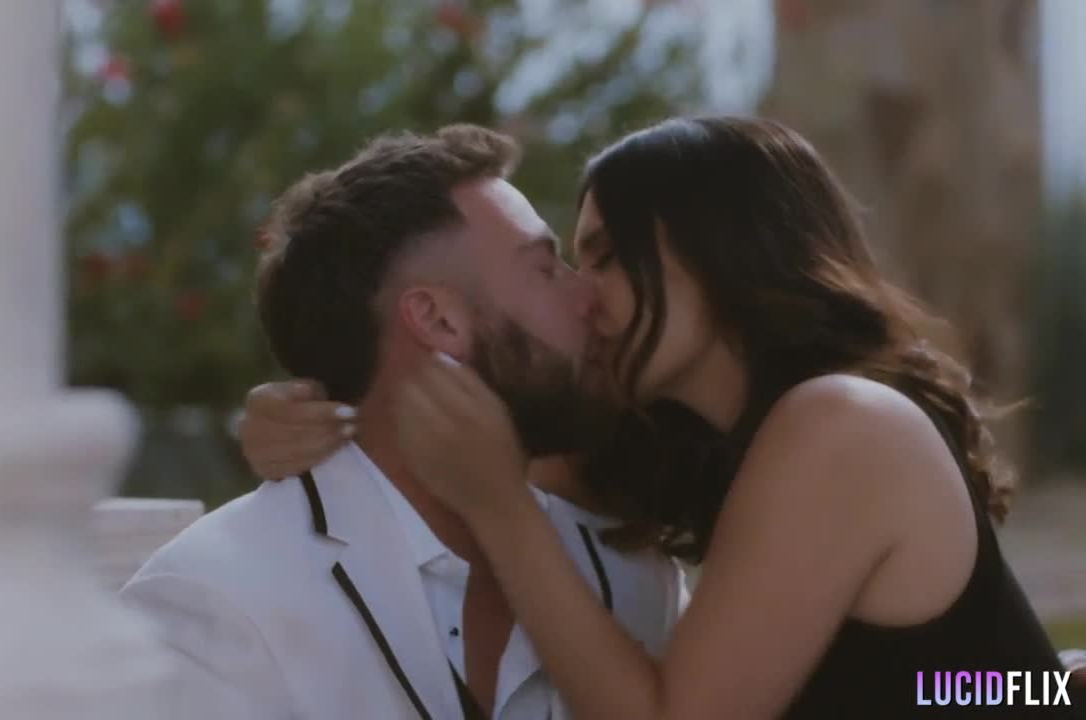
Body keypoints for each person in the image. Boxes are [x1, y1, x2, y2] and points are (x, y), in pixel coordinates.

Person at [236, 116, 1086, 718]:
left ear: (718, 253)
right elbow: (428, 453)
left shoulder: (842, 424)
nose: (583, 294)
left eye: (607, 256)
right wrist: (312, 416)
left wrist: (501, 508)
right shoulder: (697, 443)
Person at [121, 125, 687, 720]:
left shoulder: (634, 580)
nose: (589, 297)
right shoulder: (216, 604)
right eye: (546, 269)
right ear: (438, 320)